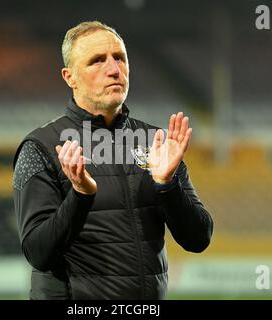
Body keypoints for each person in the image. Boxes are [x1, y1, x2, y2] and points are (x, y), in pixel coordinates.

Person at [13, 21, 213, 300]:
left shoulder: (155, 142)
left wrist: (167, 185)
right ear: (69, 77)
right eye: (97, 61)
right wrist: (80, 196)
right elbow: (38, 253)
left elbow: (198, 239)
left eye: (119, 57)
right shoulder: (41, 147)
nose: (114, 70)